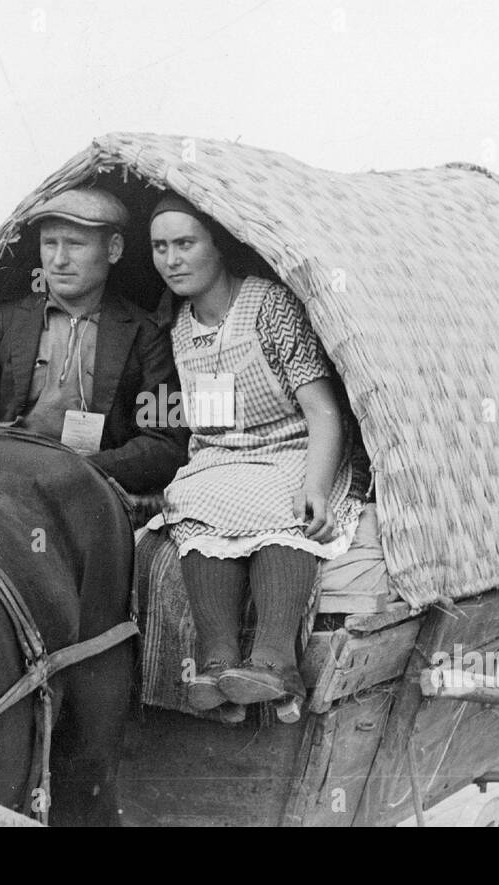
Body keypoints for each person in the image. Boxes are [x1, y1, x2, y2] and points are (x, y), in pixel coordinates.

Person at [147, 194, 364, 722]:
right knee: (193, 499)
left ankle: (275, 660)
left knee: (279, 502)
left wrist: (315, 486)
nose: (172, 259)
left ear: (217, 247)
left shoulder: (268, 305)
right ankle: (219, 663)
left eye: (185, 244)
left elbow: (323, 412)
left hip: (295, 446)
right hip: (223, 455)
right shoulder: (179, 327)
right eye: (160, 248)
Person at [0, 187, 187, 496]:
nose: (59, 260)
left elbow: (165, 444)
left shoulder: (146, 335)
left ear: (114, 249)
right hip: (6, 483)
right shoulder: (3, 324)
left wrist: (81, 469)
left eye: (75, 244)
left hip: (92, 490)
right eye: (50, 243)